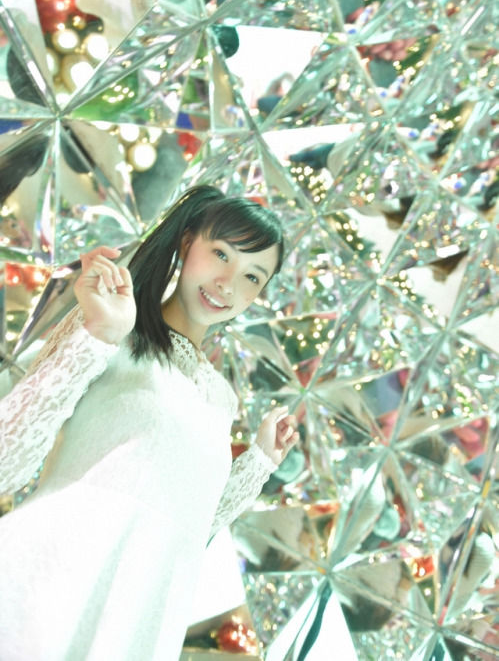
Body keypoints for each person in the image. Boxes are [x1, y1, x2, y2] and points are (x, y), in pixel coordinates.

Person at [0, 184, 299, 661]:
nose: (228, 284)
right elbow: (6, 459)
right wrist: (97, 335)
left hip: (139, 619)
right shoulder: (116, 326)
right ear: (187, 243)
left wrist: (259, 463)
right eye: (221, 254)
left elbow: (185, 527)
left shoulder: (221, 398)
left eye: (252, 277)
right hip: (52, 581)